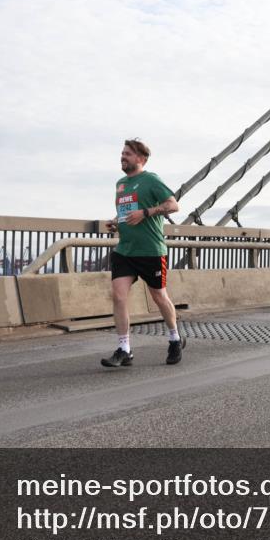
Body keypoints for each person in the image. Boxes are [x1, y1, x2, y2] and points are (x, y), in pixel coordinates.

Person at [102, 138, 185, 368]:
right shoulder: (120, 184)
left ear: (141, 158)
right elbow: (127, 212)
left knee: (159, 297)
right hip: (125, 250)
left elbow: (173, 205)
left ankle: (175, 339)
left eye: (127, 153)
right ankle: (124, 348)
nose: (123, 156)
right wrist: (117, 221)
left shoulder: (151, 180)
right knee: (118, 296)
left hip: (150, 251)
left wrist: (146, 212)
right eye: (122, 153)